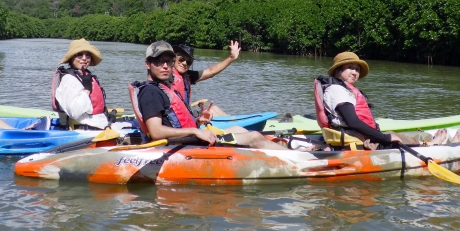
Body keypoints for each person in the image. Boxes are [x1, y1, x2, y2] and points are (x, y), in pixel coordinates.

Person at [129, 41, 287, 150]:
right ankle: (304, 159)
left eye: (169, 62)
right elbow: (156, 132)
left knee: (239, 128)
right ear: (147, 64)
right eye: (159, 61)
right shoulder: (151, 92)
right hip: (183, 145)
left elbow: (171, 120)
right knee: (254, 137)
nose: (165, 66)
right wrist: (195, 131)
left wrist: (197, 121)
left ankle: (282, 152)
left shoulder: (162, 87)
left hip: (189, 138)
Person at [315, 52, 460, 149]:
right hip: (359, 140)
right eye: (350, 68)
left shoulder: (341, 88)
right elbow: (354, 122)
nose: (355, 72)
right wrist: (385, 138)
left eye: (357, 69)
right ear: (337, 70)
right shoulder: (337, 91)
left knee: (399, 135)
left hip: (359, 135)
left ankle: (428, 140)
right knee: (395, 138)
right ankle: (433, 144)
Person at [52, 38, 118, 130]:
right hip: (85, 130)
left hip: (100, 123)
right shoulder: (69, 79)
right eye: (79, 54)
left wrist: (106, 115)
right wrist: (86, 90)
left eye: (88, 55)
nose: (84, 58)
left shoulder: (86, 76)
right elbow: (74, 112)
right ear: (71, 58)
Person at [171, 42, 241, 117]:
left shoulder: (188, 75)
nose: (184, 63)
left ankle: (236, 123)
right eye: (181, 59)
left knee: (215, 109)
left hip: (186, 115)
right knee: (212, 112)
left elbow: (211, 71)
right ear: (174, 59)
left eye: (188, 62)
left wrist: (231, 57)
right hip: (177, 119)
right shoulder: (166, 75)